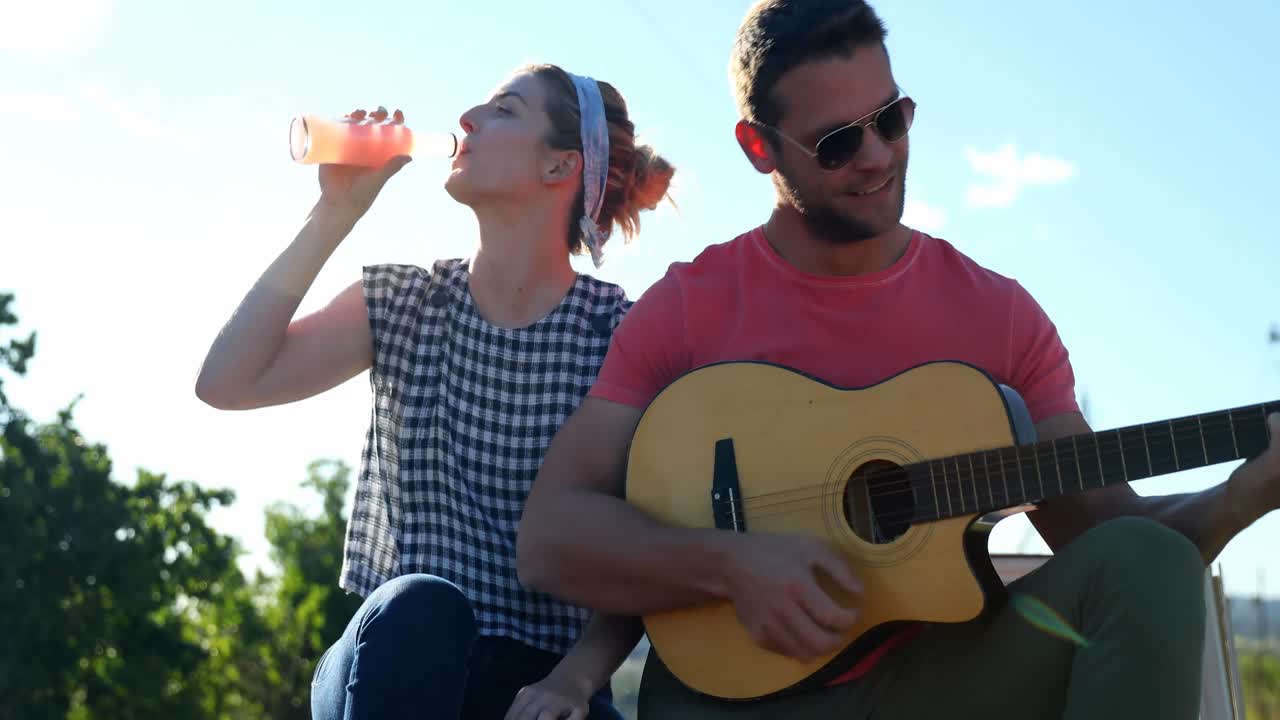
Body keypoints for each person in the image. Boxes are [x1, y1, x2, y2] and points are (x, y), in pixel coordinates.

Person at [515, 2, 1280, 718]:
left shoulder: (1000, 317)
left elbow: (1117, 544)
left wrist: (1244, 497)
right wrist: (731, 565)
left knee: (1149, 563)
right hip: (731, 696)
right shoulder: (689, 305)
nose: (877, 156)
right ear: (758, 146)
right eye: (838, 141)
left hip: (942, 683)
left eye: (892, 118)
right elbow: (551, 536)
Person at [194, 62, 674, 720]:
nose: (469, 118)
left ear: (560, 167)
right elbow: (226, 383)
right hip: (392, 660)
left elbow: (647, 548)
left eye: (505, 110)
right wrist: (335, 211)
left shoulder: (619, 337)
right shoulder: (404, 303)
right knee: (423, 606)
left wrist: (575, 680)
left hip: (545, 684)